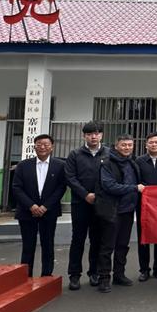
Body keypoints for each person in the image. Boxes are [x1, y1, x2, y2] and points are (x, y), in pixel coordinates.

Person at [95, 134, 145, 293]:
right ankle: (104, 278)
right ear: (116, 146)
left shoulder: (132, 162)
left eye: (130, 145)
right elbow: (109, 186)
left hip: (128, 211)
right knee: (107, 246)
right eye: (124, 145)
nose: (127, 148)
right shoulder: (107, 163)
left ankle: (119, 274)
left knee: (123, 245)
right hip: (112, 210)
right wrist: (134, 188)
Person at [12, 134, 66, 277]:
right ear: (34, 147)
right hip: (27, 211)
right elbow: (16, 187)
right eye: (39, 144)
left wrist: (45, 206)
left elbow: (61, 188)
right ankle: (26, 276)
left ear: (52, 147)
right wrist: (31, 205)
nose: (42, 147)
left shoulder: (60, 165)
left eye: (46, 144)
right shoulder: (23, 165)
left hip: (49, 211)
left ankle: (47, 276)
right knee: (28, 246)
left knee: (47, 244)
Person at [65, 121, 108, 291]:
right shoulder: (75, 154)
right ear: (84, 136)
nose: (93, 137)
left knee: (97, 239)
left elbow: (112, 176)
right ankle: (74, 275)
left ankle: (94, 272)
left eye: (96, 133)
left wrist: (99, 195)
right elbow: (70, 177)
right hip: (80, 204)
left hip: (101, 203)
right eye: (90, 134)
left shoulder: (108, 154)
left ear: (101, 135)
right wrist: (85, 194)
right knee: (78, 239)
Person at [134, 131, 157, 281]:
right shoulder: (138, 161)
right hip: (143, 204)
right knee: (143, 237)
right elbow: (135, 181)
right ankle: (144, 269)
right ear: (146, 145)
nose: (154, 145)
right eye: (151, 142)